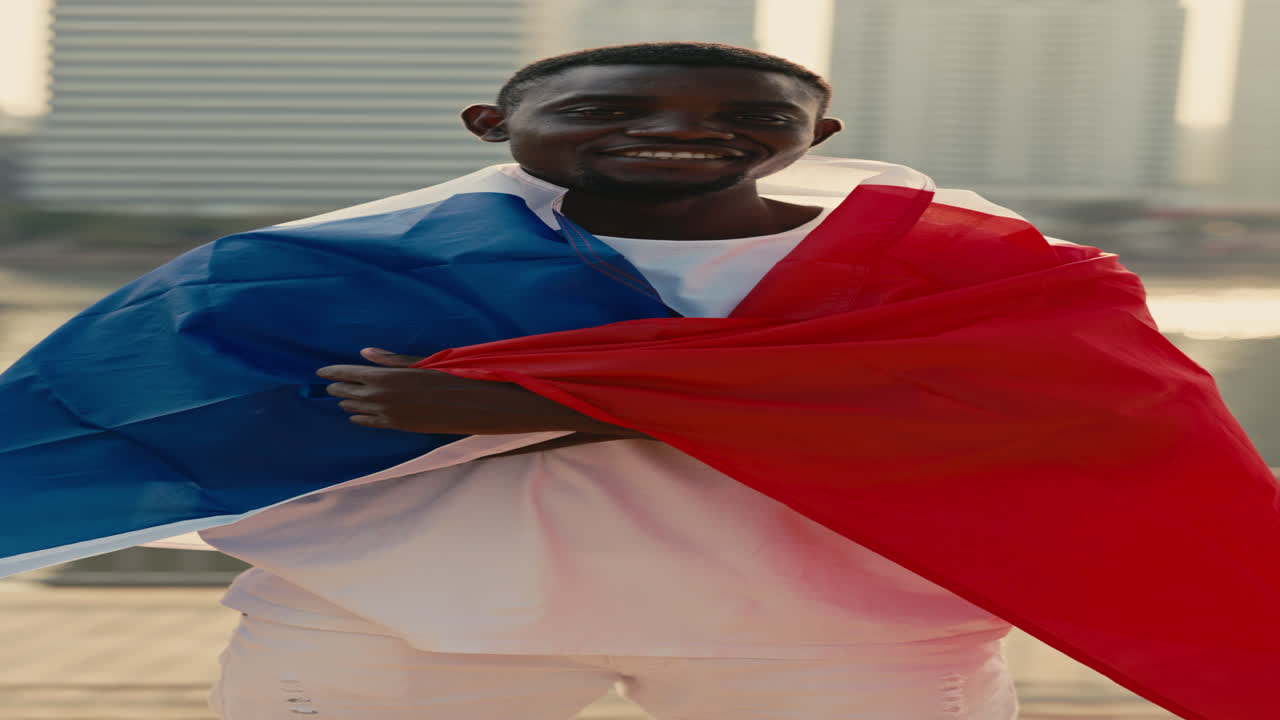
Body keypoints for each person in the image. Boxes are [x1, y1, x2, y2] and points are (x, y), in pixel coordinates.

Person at [200, 43, 1021, 719]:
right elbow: (239, 416)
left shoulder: (948, 263)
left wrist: (549, 406)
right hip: (395, 611)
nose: (680, 129)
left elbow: (1055, 413)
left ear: (818, 131)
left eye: (751, 116)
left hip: (838, 623)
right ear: (491, 124)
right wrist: (760, 400)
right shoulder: (357, 260)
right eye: (605, 110)